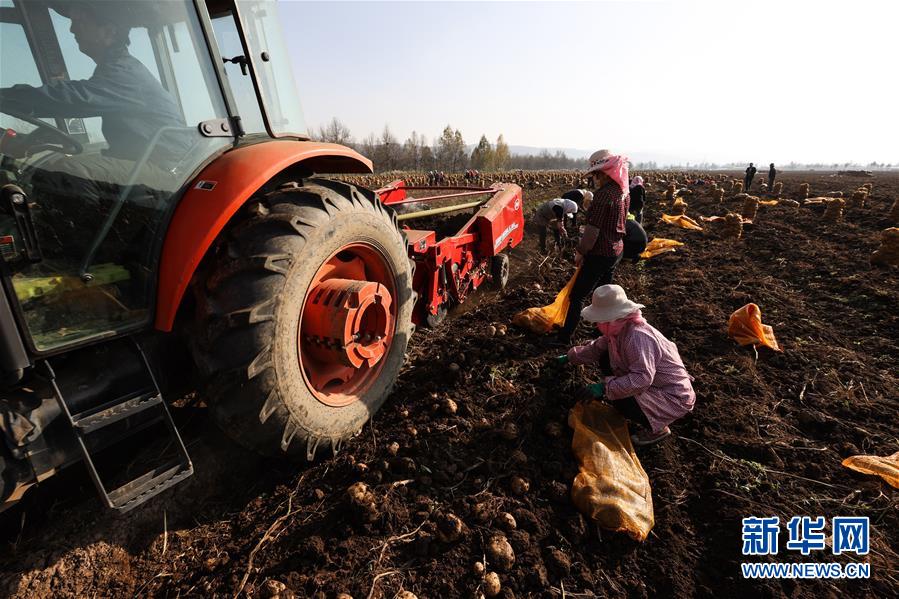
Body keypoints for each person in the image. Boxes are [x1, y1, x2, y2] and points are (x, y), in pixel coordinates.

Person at [560, 285, 696, 446]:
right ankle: (630, 401)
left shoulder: (637, 337)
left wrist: (604, 388)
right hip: (655, 384)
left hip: (672, 396)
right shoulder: (619, 330)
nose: (597, 325)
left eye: (599, 321)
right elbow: (596, 348)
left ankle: (658, 429)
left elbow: (642, 379)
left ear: (612, 319)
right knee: (605, 356)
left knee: (623, 400)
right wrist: (569, 357)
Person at [556, 149, 629, 343]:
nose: (594, 179)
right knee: (607, 293)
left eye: (596, 174)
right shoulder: (623, 192)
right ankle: (605, 332)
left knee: (577, 295)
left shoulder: (603, 195)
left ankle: (565, 336)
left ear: (605, 173)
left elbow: (592, 231)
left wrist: (581, 252)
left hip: (600, 252)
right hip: (617, 249)